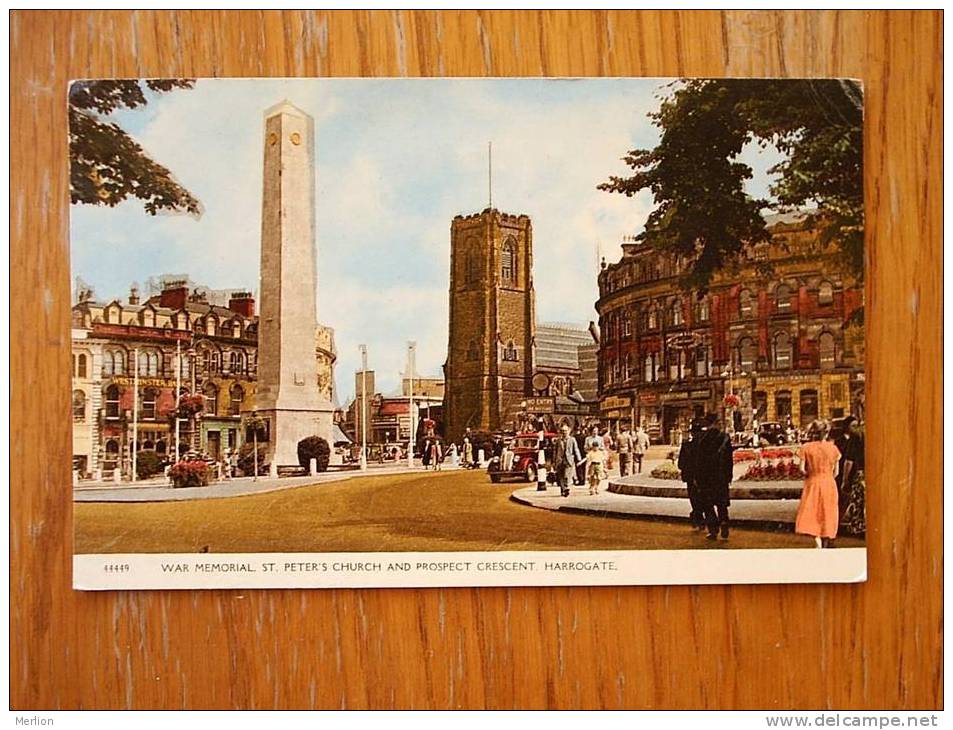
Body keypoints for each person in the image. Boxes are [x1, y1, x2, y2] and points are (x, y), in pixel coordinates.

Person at [795, 420, 841, 548]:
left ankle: (817, 539)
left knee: (813, 510)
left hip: (813, 482)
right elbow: (836, 472)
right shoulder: (833, 448)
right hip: (829, 482)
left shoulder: (806, 448)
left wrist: (810, 473)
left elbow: (801, 469)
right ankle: (827, 538)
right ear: (827, 433)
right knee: (828, 511)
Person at [694, 413, 734, 540]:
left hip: (707, 478)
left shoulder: (703, 438)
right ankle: (724, 522)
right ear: (717, 422)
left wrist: (698, 478)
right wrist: (729, 476)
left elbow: (699, 461)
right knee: (722, 504)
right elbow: (729, 460)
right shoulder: (724, 438)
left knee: (708, 504)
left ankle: (713, 529)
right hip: (721, 477)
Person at [677, 419, 705, 529]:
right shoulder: (705, 447)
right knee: (702, 498)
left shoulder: (686, 446)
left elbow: (680, 464)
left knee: (694, 499)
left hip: (691, 477)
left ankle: (697, 517)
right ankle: (698, 517)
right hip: (702, 477)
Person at [553, 424, 583, 497]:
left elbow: (576, 449)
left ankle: (566, 488)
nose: (564, 432)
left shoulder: (572, 439)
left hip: (569, 460)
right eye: (563, 431)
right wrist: (553, 461)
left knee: (567, 475)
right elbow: (555, 451)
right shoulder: (558, 440)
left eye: (566, 431)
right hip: (560, 460)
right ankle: (563, 489)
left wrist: (579, 458)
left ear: (569, 431)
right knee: (561, 476)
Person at [585, 426, 607, 495]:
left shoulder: (600, 439)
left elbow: (603, 447)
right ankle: (592, 488)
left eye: (596, 431)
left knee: (599, 477)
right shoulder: (588, 439)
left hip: (599, 457)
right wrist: (590, 449)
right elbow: (585, 448)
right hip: (592, 458)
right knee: (592, 476)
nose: (595, 432)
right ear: (591, 431)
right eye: (594, 431)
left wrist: (598, 449)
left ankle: (596, 487)